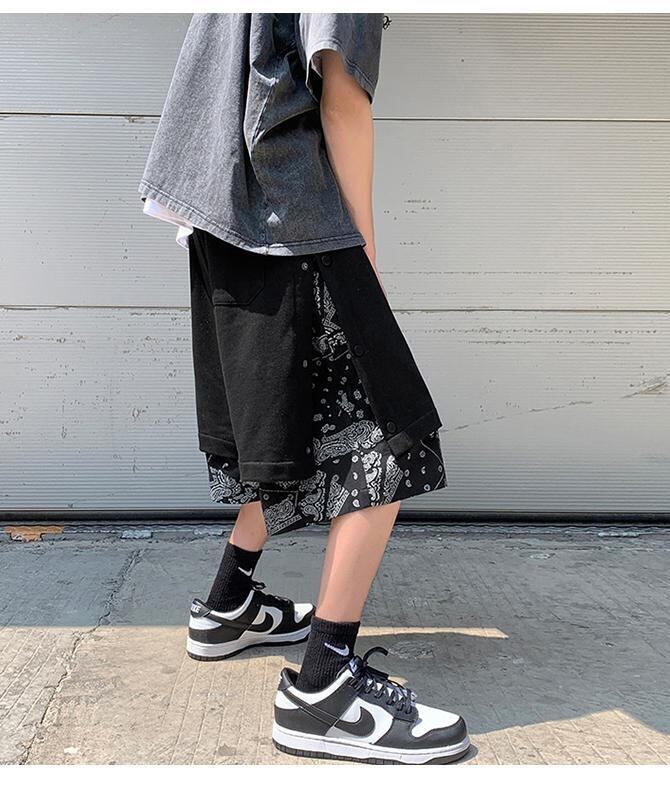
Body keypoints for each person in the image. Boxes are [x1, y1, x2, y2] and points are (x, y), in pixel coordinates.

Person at [138, 13, 469, 765]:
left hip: (222, 211)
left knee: (289, 430)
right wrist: (365, 249)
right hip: (294, 211)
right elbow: (341, 92)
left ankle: (228, 604)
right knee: (388, 441)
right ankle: (323, 690)